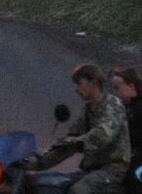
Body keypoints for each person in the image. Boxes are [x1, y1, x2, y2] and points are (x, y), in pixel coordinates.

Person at [32, 62, 131, 193]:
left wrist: (77, 141)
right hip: (92, 171)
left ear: (93, 82)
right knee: (51, 184)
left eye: (79, 83)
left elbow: (102, 135)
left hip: (114, 170)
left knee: (79, 190)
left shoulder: (112, 105)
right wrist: (35, 162)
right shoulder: (87, 110)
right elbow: (69, 143)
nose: (76, 88)